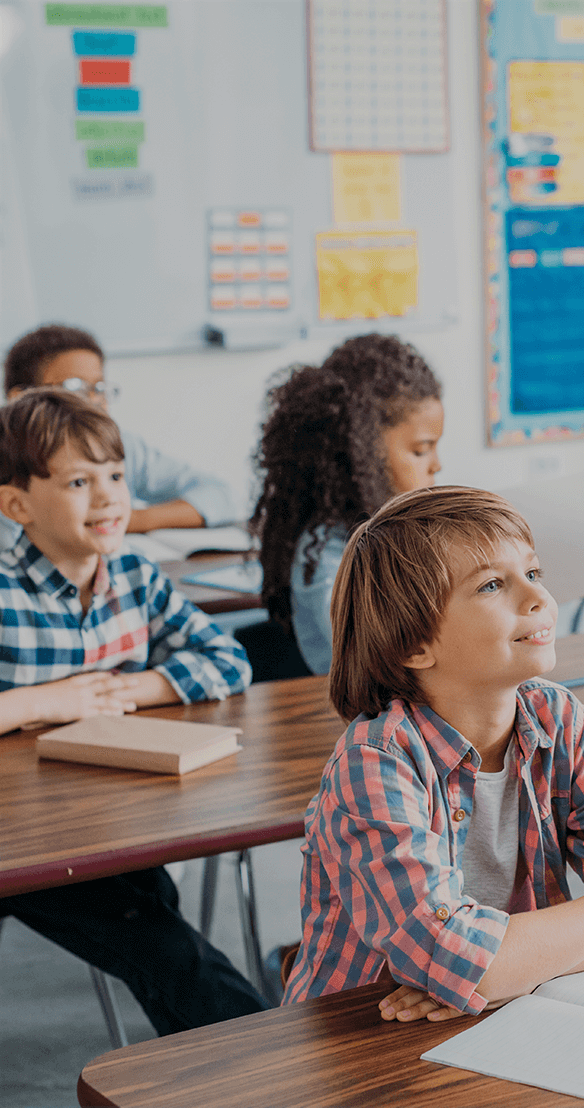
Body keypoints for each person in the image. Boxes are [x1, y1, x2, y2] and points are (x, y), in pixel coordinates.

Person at [285, 486, 584, 1020]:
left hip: (500, 1019)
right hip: (363, 1040)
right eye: (492, 585)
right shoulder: (374, 763)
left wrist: (511, 972)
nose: (537, 599)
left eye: (533, 574)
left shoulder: (561, 720)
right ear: (414, 645)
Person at [0, 388, 264, 1035]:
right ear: (17, 504)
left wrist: (135, 687)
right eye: (78, 481)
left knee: (157, 916)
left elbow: (227, 659)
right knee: (166, 945)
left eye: (116, 476)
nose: (109, 496)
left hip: (112, 812)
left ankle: (206, 1072)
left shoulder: (135, 577)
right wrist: (41, 702)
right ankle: (268, 1062)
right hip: (26, 839)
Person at [252, 333, 443, 675]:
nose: (436, 465)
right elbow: (379, 665)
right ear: (364, 452)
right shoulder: (324, 556)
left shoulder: (394, 534)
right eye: (420, 450)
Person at [3, 323, 236, 544]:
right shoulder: (8, 461)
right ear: (20, 398)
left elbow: (221, 497)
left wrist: (129, 519)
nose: (95, 402)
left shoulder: (122, 447)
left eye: (99, 389)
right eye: (75, 388)